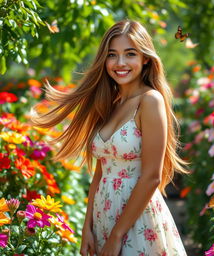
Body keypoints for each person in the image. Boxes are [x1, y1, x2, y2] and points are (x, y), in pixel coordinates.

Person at [31, 19, 189, 256]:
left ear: (145, 58)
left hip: (136, 220)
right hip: (104, 216)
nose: (120, 63)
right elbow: (101, 171)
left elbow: (151, 177)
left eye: (130, 54)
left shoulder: (150, 101)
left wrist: (117, 236)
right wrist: (87, 227)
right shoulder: (112, 103)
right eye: (112, 55)